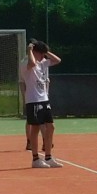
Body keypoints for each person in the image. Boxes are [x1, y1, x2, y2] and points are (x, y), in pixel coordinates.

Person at [21, 40, 62, 168]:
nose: (43, 56)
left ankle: (48, 157)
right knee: (35, 129)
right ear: (34, 52)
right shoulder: (25, 63)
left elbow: (57, 60)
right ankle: (35, 159)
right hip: (33, 100)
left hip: (44, 99)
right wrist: (30, 50)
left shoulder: (42, 63)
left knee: (51, 127)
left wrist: (46, 51)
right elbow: (32, 63)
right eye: (41, 53)